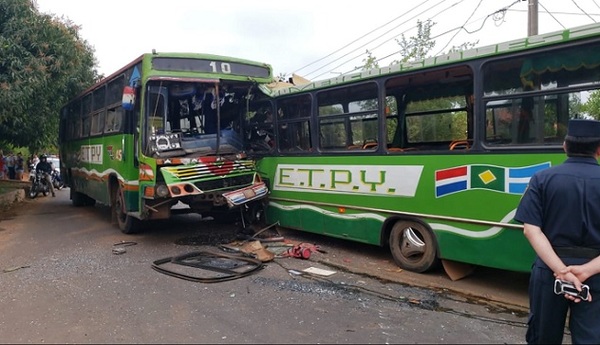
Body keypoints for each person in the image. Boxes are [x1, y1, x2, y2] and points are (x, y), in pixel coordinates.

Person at [515, 118, 600, 344]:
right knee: (592, 337)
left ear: (565, 146)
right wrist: (587, 270)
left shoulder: (542, 179)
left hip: (549, 271)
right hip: (596, 274)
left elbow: (531, 231)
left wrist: (562, 271)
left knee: (543, 336)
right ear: (599, 150)